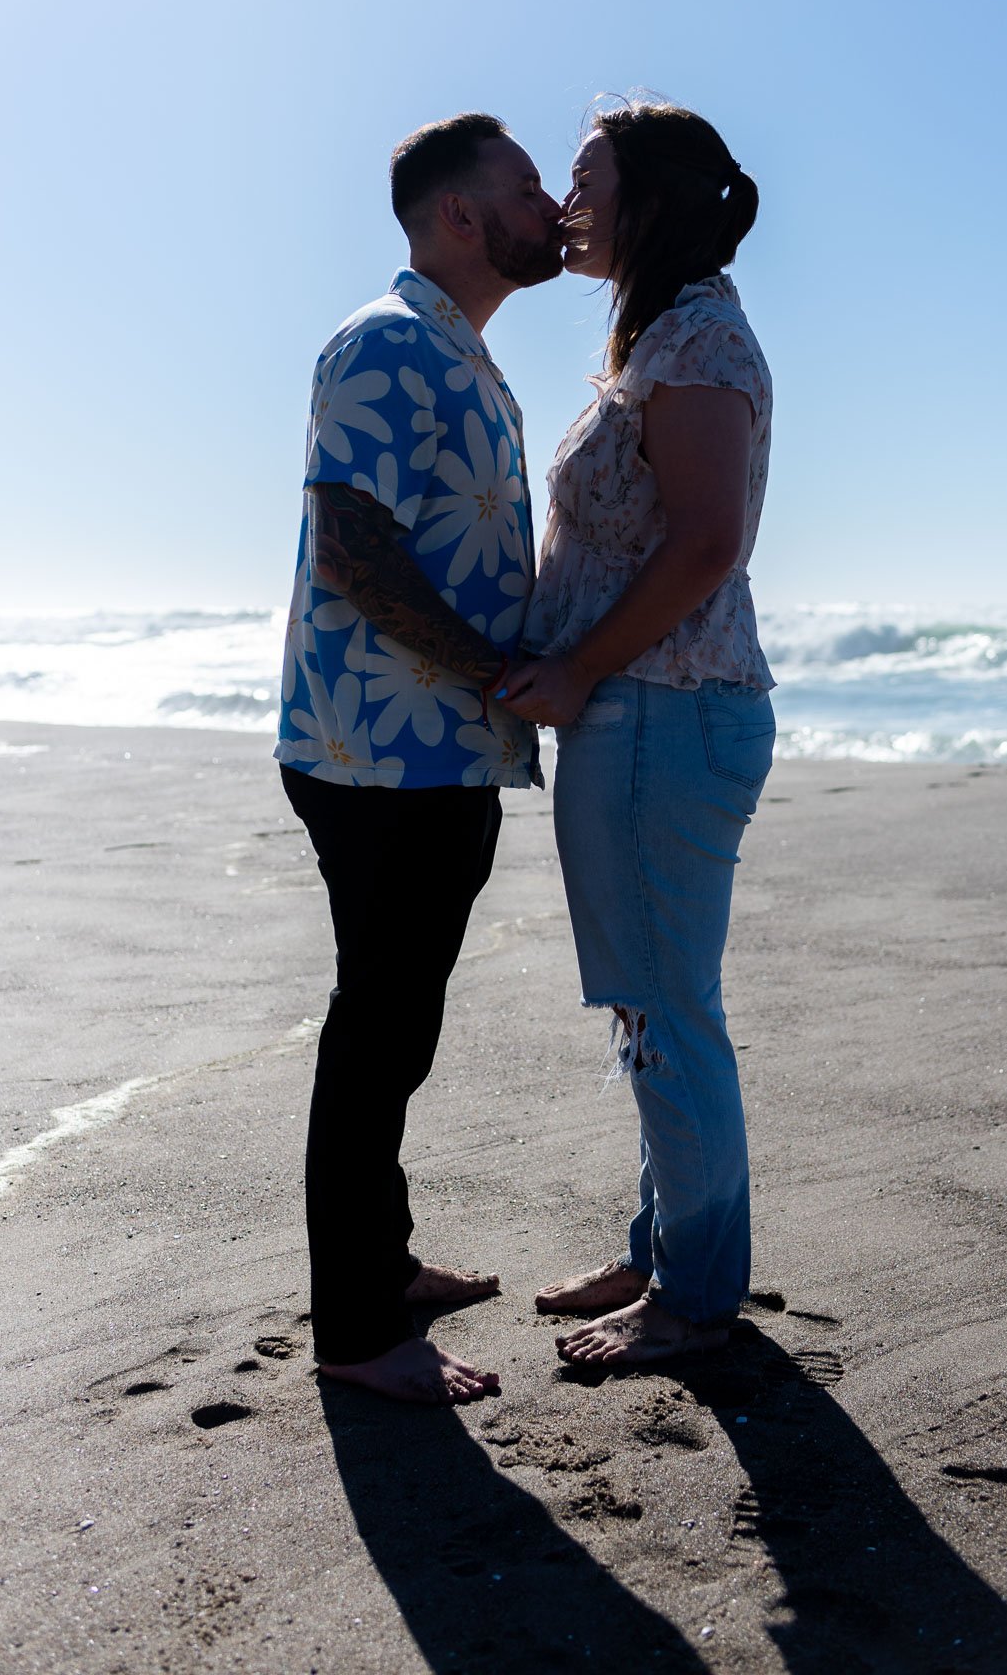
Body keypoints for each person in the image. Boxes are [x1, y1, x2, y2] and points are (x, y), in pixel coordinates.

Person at [277, 113, 563, 1404]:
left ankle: (381, 1267)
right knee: (377, 1032)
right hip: (380, 753)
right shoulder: (388, 342)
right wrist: (496, 672)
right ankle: (356, 1332)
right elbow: (352, 550)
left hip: (434, 746)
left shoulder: (460, 353)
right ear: (460, 214)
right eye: (526, 187)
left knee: (398, 1028)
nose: (550, 206)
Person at [503, 100, 776, 1365]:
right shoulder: (664, 336)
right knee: (649, 1005)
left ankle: (697, 1295)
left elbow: (708, 543)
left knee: (669, 1009)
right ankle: (664, 1248)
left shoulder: (702, 339)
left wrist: (575, 667)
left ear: (649, 202)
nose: (567, 208)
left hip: (663, 709)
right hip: (643, 709)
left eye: (586, 181)